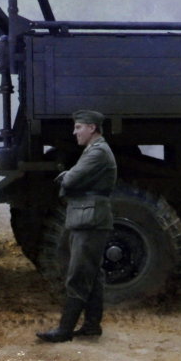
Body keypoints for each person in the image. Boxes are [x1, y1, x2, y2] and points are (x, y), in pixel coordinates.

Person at [37, 110, 117, 342]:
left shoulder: (98, 152)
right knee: (92, 274)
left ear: (92, 128)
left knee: (79, 275)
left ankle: (64, 330)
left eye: (78, 127)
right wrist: (70, 177)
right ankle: (91, 326)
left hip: (90, 220)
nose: (74, 132)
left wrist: (67, 178)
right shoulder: (94, 150)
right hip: (89, 218)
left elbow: (71, 180)